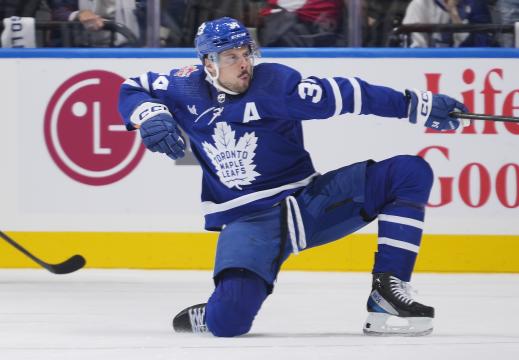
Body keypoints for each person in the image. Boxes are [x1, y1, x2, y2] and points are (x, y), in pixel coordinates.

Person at [118, 17, 469, 337]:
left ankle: (388, 293)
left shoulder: (276, 85)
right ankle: (218, 310)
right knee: (229, 324)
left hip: (309, 203)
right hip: (248, 220)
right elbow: (132, 87)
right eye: (230, 57)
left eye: (246, 53)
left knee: (409, 172)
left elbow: (349, 94)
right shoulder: (183, 86)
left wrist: (415, 104)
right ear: (207, 63)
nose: (243, 64)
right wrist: (148, 114)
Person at [401, 0, 496, 47]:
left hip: (464, 67)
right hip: (429, 69)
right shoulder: (420, 5)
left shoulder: (475, 4)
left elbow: (484, 48)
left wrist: (454, 15)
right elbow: (414, 49)